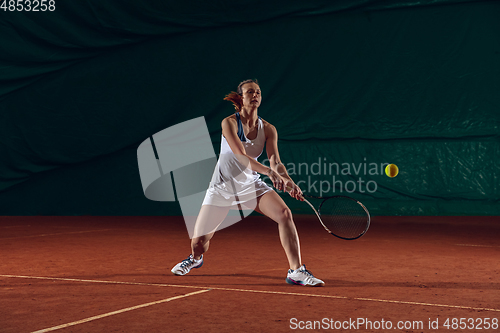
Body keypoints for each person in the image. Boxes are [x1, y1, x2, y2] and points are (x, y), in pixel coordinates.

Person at [171, 79, 324, 287]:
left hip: (251, 186)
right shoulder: (229, 123)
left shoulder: (269, 129)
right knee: (198, 243)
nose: (255, 95)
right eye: (250, 92)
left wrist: (289, 182)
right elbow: (241, 157)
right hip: (222, 188)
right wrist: (270, 173)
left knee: (285, 214)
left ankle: (296, 271)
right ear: (240, 98)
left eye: (258, 92)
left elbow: (276, 162)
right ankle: (195, 259)